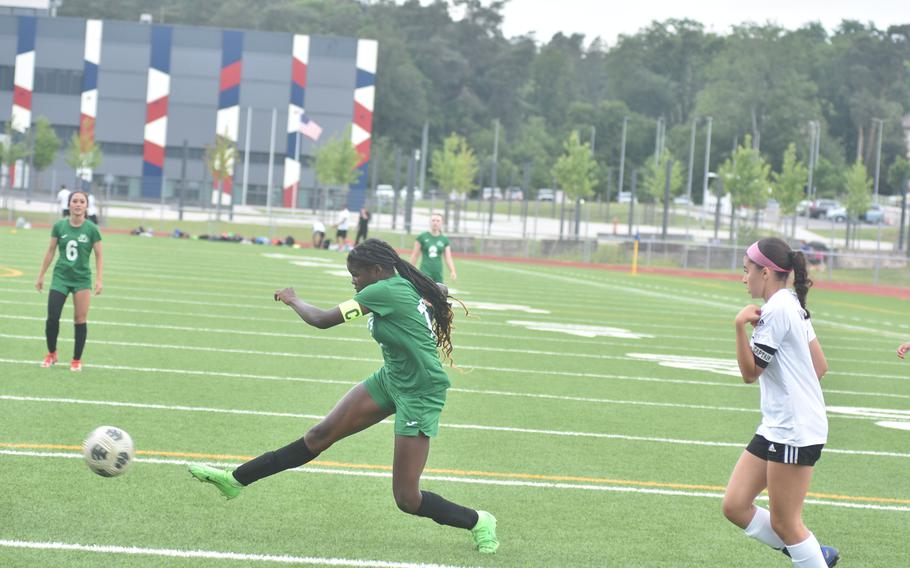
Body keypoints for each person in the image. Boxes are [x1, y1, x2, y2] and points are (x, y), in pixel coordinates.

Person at [187, 238, 498, 554]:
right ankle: (235, 479)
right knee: (319, 435)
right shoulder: (400, 282)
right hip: (391, 378)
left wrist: (292, 299)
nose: (353, 280)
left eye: (357, 274)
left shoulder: (380, 291)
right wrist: (433, 294)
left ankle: (479, 521)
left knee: (407, 498)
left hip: (420, 392)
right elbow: (439, 288)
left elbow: (322, 320)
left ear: (377, 271)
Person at [722, 237, 839, 567]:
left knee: (786, 523)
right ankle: (815, 556)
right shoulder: (791, 304)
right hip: (778, 426)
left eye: (747, 271)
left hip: (793, 431)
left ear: (766, 272)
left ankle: (812, 558)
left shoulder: (776, 310)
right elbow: (820, 367)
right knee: (735, 504)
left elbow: (749, 373)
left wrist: (739, 328)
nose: (743, 278)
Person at [35, 190, 103, 372]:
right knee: (52, 317)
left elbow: (99, 255)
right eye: (75, 201)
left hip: (81, 279)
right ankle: (52, 353)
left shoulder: (92, 229)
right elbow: (50, 251)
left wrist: (99, 279)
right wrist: (41, 275)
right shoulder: (59, 226)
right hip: (60, 277)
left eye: (82, 201)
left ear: (86, 206)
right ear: (69, 204)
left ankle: (76, 359)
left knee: (80, 319)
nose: (78, 204)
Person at [409, 213, 456, 283]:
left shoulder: (444, 239)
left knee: (439, 292)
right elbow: (415, 255)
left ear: (442, 223)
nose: (435, 223)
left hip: (438, 272)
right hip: (425, 270)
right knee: (425, 292)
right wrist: (409, 270)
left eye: (438, 221)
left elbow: (448, 258)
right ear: (430, 222)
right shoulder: (422, 237)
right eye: (433, 220)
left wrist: (453, 271)